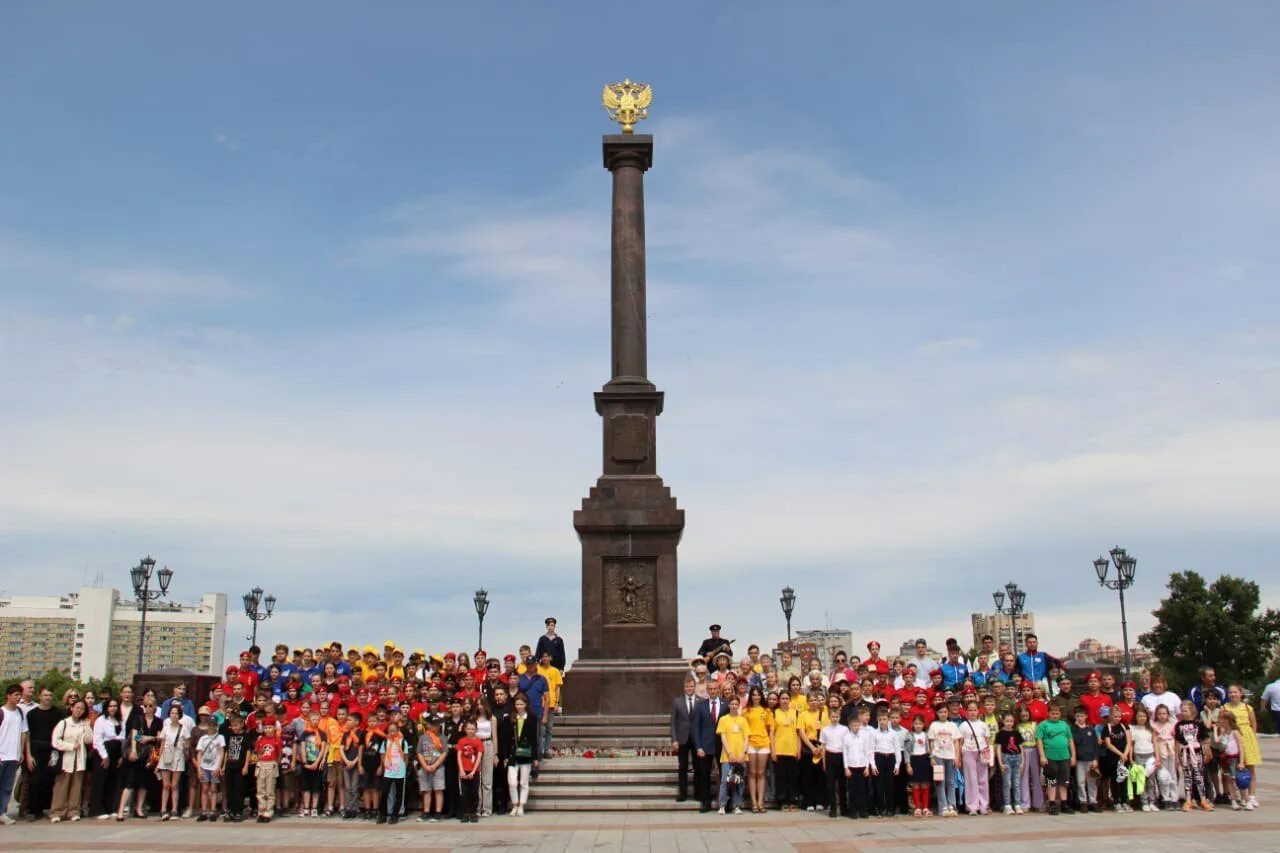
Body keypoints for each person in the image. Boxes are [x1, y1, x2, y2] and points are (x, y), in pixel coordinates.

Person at [118, 692, 162, 820]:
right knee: (129, 783)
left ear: (155, 707)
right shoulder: (138, 718)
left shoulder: (158, 721)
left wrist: (150, 738)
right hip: (137, 752)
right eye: (146, 705)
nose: (148, 708)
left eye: (150, 706)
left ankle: (139, 808)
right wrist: (133, 750)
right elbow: (134, 735)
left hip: (149, 756)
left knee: (144, 783)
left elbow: (159, 738)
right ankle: (121, 810)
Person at [48, 698, 92, 822]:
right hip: (66, 757)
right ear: (71, 708)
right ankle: (57, 811)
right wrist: (70, 746)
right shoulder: (64, 723)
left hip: (79, 759)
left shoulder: (83, 723)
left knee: (76, 786)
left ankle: (73, 811)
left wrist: (87, 727)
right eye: (77, 707)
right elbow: (55, 740)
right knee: (61, 785)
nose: (79, 710)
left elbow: (89, 740)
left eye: (82, 708)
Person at [498, 693, 540, 817]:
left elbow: (534, 739)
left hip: (525, 754)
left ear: (526, 705)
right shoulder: (508, 719)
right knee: (512, 782)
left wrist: (535, 757)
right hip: (512, 754)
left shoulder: (532, 718)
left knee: (523, 782)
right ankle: (515, 804)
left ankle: (521, 805)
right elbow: (505, 739)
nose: (519, 706)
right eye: (517, 704)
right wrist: (505, 756)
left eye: (521, 704)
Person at [692, 678, 728, 813]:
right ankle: (705, 802)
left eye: (715, 689)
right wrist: (698, 747)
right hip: (705, 746)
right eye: (710, 689)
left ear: (718, 690)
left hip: (722, 746)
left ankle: (725, 802)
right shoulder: (700, 705)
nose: (713, 691)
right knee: (704, 775)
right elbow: (696, 727)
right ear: (707, 690)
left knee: (724, 775)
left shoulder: (726, 704)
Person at [1223, 683, 1260, 809]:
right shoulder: (1225, 707)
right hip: (1232, 739)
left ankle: (1252, 796)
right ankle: (1240, 796)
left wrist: (1252, 738)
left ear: (1240, 694)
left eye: (1235, 692)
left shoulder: (1247, 707)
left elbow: (1253, 724)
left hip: (1246, 736)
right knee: (1235, 769)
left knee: (1250, 768)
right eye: (1230, 692)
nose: (1233, 694)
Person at [1174, 699, 1213, 812]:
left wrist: (1207, 752)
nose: (1183, 713)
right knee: (1187, 777)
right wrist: (1177, 756)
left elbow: (1205, 739)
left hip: (1197, 753)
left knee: (1198, 776)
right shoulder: (1179, 725)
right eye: (1182, 711)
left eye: (1185, 711)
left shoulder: (1198, 724)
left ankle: (1203, 799)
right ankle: (1188, 800)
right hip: (1185, 753)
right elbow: (1177, 741)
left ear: (1192, 711)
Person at [715, 695, 751, 815]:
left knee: (739, 780)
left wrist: (743, 753)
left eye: (736, 704)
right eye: (732, 704)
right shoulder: (723, 719)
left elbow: (746, 738)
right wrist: (730, 753)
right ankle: (722, 805)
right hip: (727, 755)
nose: (734, 706)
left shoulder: (743, 720)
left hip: (740, 755)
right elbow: (723, 737)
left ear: (739, 705)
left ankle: (737, 805)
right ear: (729, 705)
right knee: (725, 780)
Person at [1036, 704, 1074, 815]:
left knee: (1063, 782)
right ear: (1048, 714)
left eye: (1057, 714)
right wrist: (1042, 756)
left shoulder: (1064, 725)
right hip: (1050, 757)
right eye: (1053, 714)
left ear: (1060, 714)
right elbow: (1039, 741)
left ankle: (1064, 803)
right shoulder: (1043, 725)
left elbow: (1070, 740)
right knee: (1051, 781)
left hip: (1064, 757)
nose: (1055, 716)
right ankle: (1052, 804)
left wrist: (1073, 756)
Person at [90, 698, 124, 819]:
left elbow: (122, 738)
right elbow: (97, 740)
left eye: (115, 706)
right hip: (103, 751)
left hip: (117, 751)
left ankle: (111, 807)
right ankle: (97, 809)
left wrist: (121, 755)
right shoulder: (101, 720)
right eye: (110, 706)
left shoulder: (120, 720)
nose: (113, 708)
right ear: (106, 708)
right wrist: (105, 756)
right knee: (101, 781)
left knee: (113, 781)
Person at [0, 683, 28, 826]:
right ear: (8, 696)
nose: (18, 698)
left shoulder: (20, 713)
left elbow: (23, 732)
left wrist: (21, 751)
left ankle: (2, 812)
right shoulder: (2, 712)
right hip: (1, 755)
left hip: (13, 756)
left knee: (6, 787)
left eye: (19, 695)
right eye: (15, 695)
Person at [742, 685, 773, 813]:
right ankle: (753, 802)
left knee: (761, 773)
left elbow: (770, 729)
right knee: (752, 773)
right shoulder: (746, 711)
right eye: (754, 694)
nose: (756, 697)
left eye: (758, 694)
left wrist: (771, 746)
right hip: (750, 744)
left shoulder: (766, 711)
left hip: (764, 743)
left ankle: (761, 802)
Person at [156, 702, 190, 820]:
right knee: (165, 784)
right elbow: (161, 744)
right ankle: (163, 809)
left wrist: (185, 752)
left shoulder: (184, 728)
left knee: (175, 785)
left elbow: (187, 744)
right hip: (166, 756)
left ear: (179, 715)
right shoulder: (165, 728)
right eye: (172, 713)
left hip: (178, 756)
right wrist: (158, 760)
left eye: (176, 713)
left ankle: (174, 809)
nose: (174, 715)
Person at [958, 698, 992, 815]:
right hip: (968, 752)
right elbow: (960, 742)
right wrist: (958, 757)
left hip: (982, 752)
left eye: (975, 710)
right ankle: (972, 806)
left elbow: (988, 741)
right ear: (966, 711)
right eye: (970, 710)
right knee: (970, 779)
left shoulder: (983, 725)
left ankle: (984, 805)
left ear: (979, 711)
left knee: (983, 780)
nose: (972, 712)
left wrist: (989, 757)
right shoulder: (963, 725)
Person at [669, 678, 699, 803]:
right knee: (683, 767)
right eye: (687, 686)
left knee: (698, 767)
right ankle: (683, 793)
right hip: (682, 738)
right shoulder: (677, 702)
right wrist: (674, 739)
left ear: (694, 687)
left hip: (697, 739)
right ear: (684, 687)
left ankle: (698, 793)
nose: (689, 688)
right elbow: (673, 722)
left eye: (691, 686)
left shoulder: (701, 701)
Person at [928, 702, 960, 816]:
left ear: (948, 712)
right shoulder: (934, 725)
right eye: (941, 712)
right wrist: (932, 757)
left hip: (950, 756)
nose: (943, 714)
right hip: (938, 756)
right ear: (937, 713)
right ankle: (943, 806)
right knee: (940, 781)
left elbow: (956, 742)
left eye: (945, 712)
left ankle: (952, 805)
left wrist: (957, 757)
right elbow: (931, 742)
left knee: (951, 781)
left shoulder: (952, 725)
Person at [772, 692, 801, 811]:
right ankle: (782, 801)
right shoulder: (774, 713)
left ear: (790, 700)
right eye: (782, 698)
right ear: (779, 700)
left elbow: (799, 733)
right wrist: (772, 750)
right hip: (779, 749)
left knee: (793, 777)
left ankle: (792, 800)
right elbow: (771, 733)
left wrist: (798, 749)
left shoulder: (796, 713)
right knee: (781, 777)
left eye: (787, 698)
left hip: (792, 749)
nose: (784, 700)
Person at [1099, 706, 1131, 812]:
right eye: (1115, 716)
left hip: (1123, 757)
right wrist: (1120, 754)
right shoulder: (1107, 727)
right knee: (1115, 780)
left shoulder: (1124, 726)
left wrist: (1125, 754)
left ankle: (1124, 801)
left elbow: (1128, 742)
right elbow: (1108, 744)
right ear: (1111, 716)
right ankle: (1116, 802)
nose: (1118, 718)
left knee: (1124, 780)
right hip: (1112, 757)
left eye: (1119, 716)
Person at [195, 716, 226, 822]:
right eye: (210, 725)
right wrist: (199, 768)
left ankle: (213, 810)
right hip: (204, 766)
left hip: (214, 766)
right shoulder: (203, 738)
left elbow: (221, 752)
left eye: (214, 725)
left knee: (213, 789)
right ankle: (204, 810)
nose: (212, 727)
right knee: (204, 789)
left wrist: (219, 766)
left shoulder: (220, 737)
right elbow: (199, 753)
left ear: (216, 726)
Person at [1070, 707, 1100, 812]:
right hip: (1079, 760)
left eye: (1081, 716)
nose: (1080, 718)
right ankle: (1083, 801)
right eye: (1077, 716)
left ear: (1086, 717)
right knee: (1080, 782)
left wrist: (1095, 759)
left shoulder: (1091, 729)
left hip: (1090, 759)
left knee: (1091, 781)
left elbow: (1095, 745)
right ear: (1075, 717)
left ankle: (1093, 801)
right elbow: (1075, 742)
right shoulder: (1073, 730)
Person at [252, 720, 282, 822]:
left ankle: (268, 812)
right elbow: (258, 752)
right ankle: (261, 811)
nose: (268, 730)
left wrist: (275, 764)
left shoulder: (277, 740)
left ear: (274, 728)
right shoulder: (260, 739)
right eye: (266, 728)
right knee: (261, 790)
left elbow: (279, 754)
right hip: (261, 764)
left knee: (270, 790)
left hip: (271, 764)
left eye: (270, 727)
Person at [994, 712, 1023, 815]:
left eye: (1011, 721)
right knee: (1007, 783)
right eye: (1007, 721)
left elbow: (1020, 747)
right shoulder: (1000, 733)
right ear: (1003, 721)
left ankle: (1018, 804)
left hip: (1017, 758)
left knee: (1016, 783)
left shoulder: (1016, 733)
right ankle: (1007, 805)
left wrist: (1022, 761)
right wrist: (1000, 762)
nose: (1009, 723)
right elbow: (998, 748)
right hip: (1006, 758)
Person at [456, 720, 484, 823]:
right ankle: (465, 813)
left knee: (474, 793)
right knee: (464, 793)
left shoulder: (478, 742)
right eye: (468, 728)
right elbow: (459, 756)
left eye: (473, 729)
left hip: (474, 771)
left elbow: (479, 757)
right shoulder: (461, 741)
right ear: (465, 729)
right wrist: (461, 770)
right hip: (464, 771)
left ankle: (473, 813)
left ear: (476, 730)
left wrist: (473, 771)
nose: (471, 731)